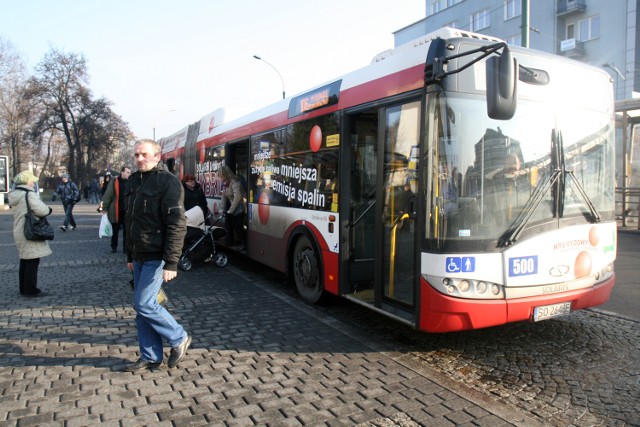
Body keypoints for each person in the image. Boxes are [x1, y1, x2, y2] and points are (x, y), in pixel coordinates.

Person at [123, 139, 190, 372]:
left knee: (144, 304)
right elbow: (129, 221)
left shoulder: (168, 182)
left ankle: (179, 337)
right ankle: (150, 356)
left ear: (157, 156)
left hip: (157, 255)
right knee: (142, 307)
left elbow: (176, 224)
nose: (139, 159)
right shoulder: (132, 181)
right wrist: (129, 255)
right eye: (136, 155)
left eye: (144, 154)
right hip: (139, 255)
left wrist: (172, 262)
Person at [8, 170, 53, 297]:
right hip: (30, 230)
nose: (33, 184)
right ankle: (31, 289)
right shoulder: (29, 194)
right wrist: (48, 209)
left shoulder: (15, 194)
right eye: (32, 181)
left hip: (19, 230)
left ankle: (23, 288)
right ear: (27, 182)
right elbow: (41, 210)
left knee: (25, 259)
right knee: (32, 260)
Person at [101, 166, 131, 253]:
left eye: (130, 172)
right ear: (122, 172)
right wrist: (103, 207)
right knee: (115, 230)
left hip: (127, 210)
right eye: (127, 172)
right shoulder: (114, 181)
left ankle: (126, 247)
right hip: (116, 210)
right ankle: (114, 246)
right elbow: (107, 195)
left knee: (127, 230)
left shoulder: (131, 182)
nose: (129, 174)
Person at [219, 165, 246, 250]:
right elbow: (224, 196)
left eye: (220, 175)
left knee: (239, 225)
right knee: (234, 225)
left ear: (224, 174)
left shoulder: (235, 182)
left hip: (242, 206)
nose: (219, 177)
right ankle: (239, 242)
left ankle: (245, 244)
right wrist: (222, 209)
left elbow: (237, 198)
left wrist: (230, 211)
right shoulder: (225, 183)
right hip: (235, 207)